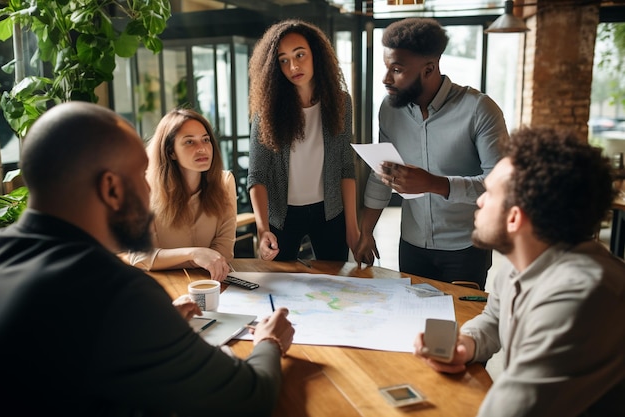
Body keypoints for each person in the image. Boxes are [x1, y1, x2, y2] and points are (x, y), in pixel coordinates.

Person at [0, 102, 295, 416]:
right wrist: (269, 341)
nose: (148, 187)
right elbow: (249, 397)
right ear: (111, 188)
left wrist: (156, 324)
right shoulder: (119, 294)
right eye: (141, 175)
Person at [414, 126, 625, 416]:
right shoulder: (523, 260)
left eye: (489, 193)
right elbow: (493, 318)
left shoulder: (581, 295)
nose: (479, 201)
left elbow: (512, 409)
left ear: (514, 218)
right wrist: (467, 342)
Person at [354, 17, 509, 289]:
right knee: (416, 322)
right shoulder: (389, 109)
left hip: (466, 247)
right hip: (411, 245)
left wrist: (434, 184)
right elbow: (382, 175)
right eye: (386, 67)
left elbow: (500, 187)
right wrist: (366, 231)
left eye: (397, 69)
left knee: (461, 326)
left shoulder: (479, 110)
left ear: (429, 69)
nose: (386, 78)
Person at [247, 19, 359, 262]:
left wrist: (352, 226)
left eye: (300, 55)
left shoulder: (340, 103)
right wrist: (262, 228)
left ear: (316, 55)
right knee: (281, 288)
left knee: (335, 288)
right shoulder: (267, 112)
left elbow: (345, 168)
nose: (293, 66)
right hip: (281, 216)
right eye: (283, 60)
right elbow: (257, 175)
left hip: (329, 212)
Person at [126, 108, 236, 282]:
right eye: (189, 142)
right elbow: (141, 258)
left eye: (205, 140)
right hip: (165, 285)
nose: (202, 149)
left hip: (211, 282)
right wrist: (194, 254)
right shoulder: (144, 189)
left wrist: (166, 260)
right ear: (171, 152)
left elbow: (223, 253)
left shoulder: (225, 182)